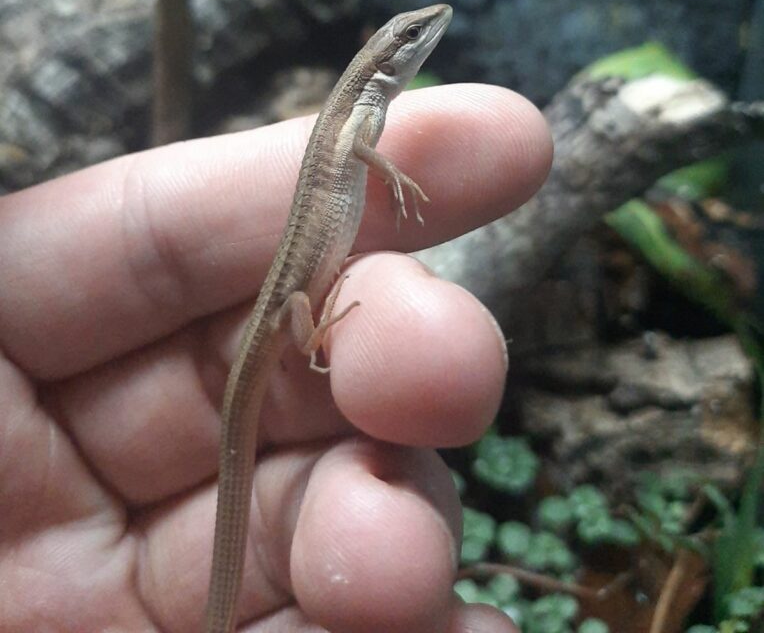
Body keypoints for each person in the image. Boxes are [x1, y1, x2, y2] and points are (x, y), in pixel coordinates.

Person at [0, 83, 551, 633]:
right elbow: (357, 150)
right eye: (410, 36)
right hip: (287, 303)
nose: (424, 37)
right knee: (305, 326)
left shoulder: (365, 108)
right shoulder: (364, 107)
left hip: (289, 297)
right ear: (382, 65)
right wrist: (392, 174)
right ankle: (311, 344)